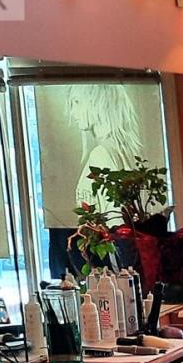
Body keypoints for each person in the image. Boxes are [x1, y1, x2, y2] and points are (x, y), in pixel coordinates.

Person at [49, 84, 143, 278]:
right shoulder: (118, 151)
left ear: (97, 102)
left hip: (104, 264)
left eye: (77, 102)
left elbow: (114, 221)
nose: (72, 112)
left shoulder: (101, 155)